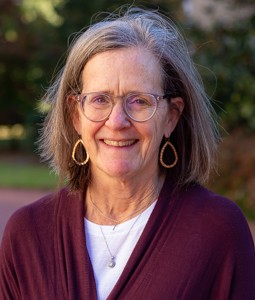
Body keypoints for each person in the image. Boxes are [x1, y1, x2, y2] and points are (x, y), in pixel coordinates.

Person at [0, 6, 254, 300]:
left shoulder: (217, 230)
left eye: (139, 101)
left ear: (171, 116)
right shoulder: (28, 234)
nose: (117, 121)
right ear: (75, 115)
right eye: (100, 100)